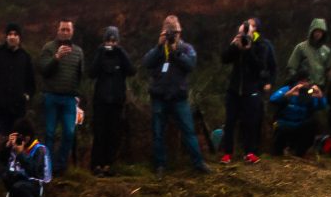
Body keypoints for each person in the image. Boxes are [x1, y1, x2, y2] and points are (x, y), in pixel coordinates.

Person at [139, 14, 210, 176]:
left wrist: (176, 52)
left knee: (188, 131)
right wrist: (159, 47)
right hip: (159, 96)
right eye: (170, 32)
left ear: (180, 32)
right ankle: (160, 165)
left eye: (175, 32)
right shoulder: (158, 49)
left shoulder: (186, 48)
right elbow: (146, 63)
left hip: (179, 97)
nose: (173, 35)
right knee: (158, 133)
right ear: (163, 32)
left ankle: (198, 163)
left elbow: (191, 65)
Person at [219, 16, 277, 164]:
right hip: (234, 90)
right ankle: (227, 153)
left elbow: (260, 67)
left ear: (254, 32)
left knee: (250, 123)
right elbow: (224, 59)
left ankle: (250, 152)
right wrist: (234, 46)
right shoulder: (236, 42)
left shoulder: (262, 45)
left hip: (251, 90)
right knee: (230, 122)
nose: (244, 35)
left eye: (247, 32)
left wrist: (248, 49)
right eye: (242, 32)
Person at [38, 19, 84, 174]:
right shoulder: (48, 48)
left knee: (69, 133)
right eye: (62, 29)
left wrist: (78, 94)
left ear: (72, 32)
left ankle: (60, 166)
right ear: (58, 31)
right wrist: (56, 57)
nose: (65, 32)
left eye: (67, 30)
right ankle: (47, 167)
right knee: (49, 133)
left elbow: (80, 75)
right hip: (51, 96)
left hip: (70, 99)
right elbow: (43, 70)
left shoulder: (78, 52)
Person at [88, 27, 133, 176]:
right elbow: (92, 73)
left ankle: (108, 165)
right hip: (101, 101)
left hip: (116, 102)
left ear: (118, 42)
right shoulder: (100, 54)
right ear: (104, 41)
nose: (111, 44)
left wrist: (121, 51)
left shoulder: (120, 55)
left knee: (113, 134)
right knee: (99, 133)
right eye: (108, 40)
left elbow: (131, 70)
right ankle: (96, 165)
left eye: (114, 41)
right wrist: (100, 53)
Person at [0, 24, 36, 137]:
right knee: (0, 137)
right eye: (10, 34)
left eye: (15, 34)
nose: (12, 37)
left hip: (18, 107)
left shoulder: (25, 57)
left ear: (19, 37)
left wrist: (27, 96)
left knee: (17, 137)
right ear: (6, 37)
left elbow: (31, 81)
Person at [269, 74, 326, 156]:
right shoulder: (287, 89)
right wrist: (290, 93)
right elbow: (273, 99)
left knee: (312, 124)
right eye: (301, 81)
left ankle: (300, 152)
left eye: (306, 81)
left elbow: (321, 106)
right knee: (281, 130)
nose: (303, 83)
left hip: (300, 124)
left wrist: (320, 96)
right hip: (284, 122)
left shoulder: (309, 93)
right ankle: (279, 150)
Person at [2, 121, 52, 197]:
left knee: (19, 186)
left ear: (28, 137)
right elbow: (2, 165)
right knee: (7, 177)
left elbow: (35, 172)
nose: (19, 140)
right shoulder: (15, 148)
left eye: (21, 137)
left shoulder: (40, 149)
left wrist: (21, 154)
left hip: (35, 184)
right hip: (19, 181)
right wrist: (6, 147)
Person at [285, 18, 331, 89]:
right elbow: (291, 67)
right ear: (312, 31)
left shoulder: (326, 51)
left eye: (320, 31)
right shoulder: (301, 47)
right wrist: (297, 81)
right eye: (316, 31)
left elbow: (328, 71)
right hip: (304, 86)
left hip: (319, 87)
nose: (318, 33)